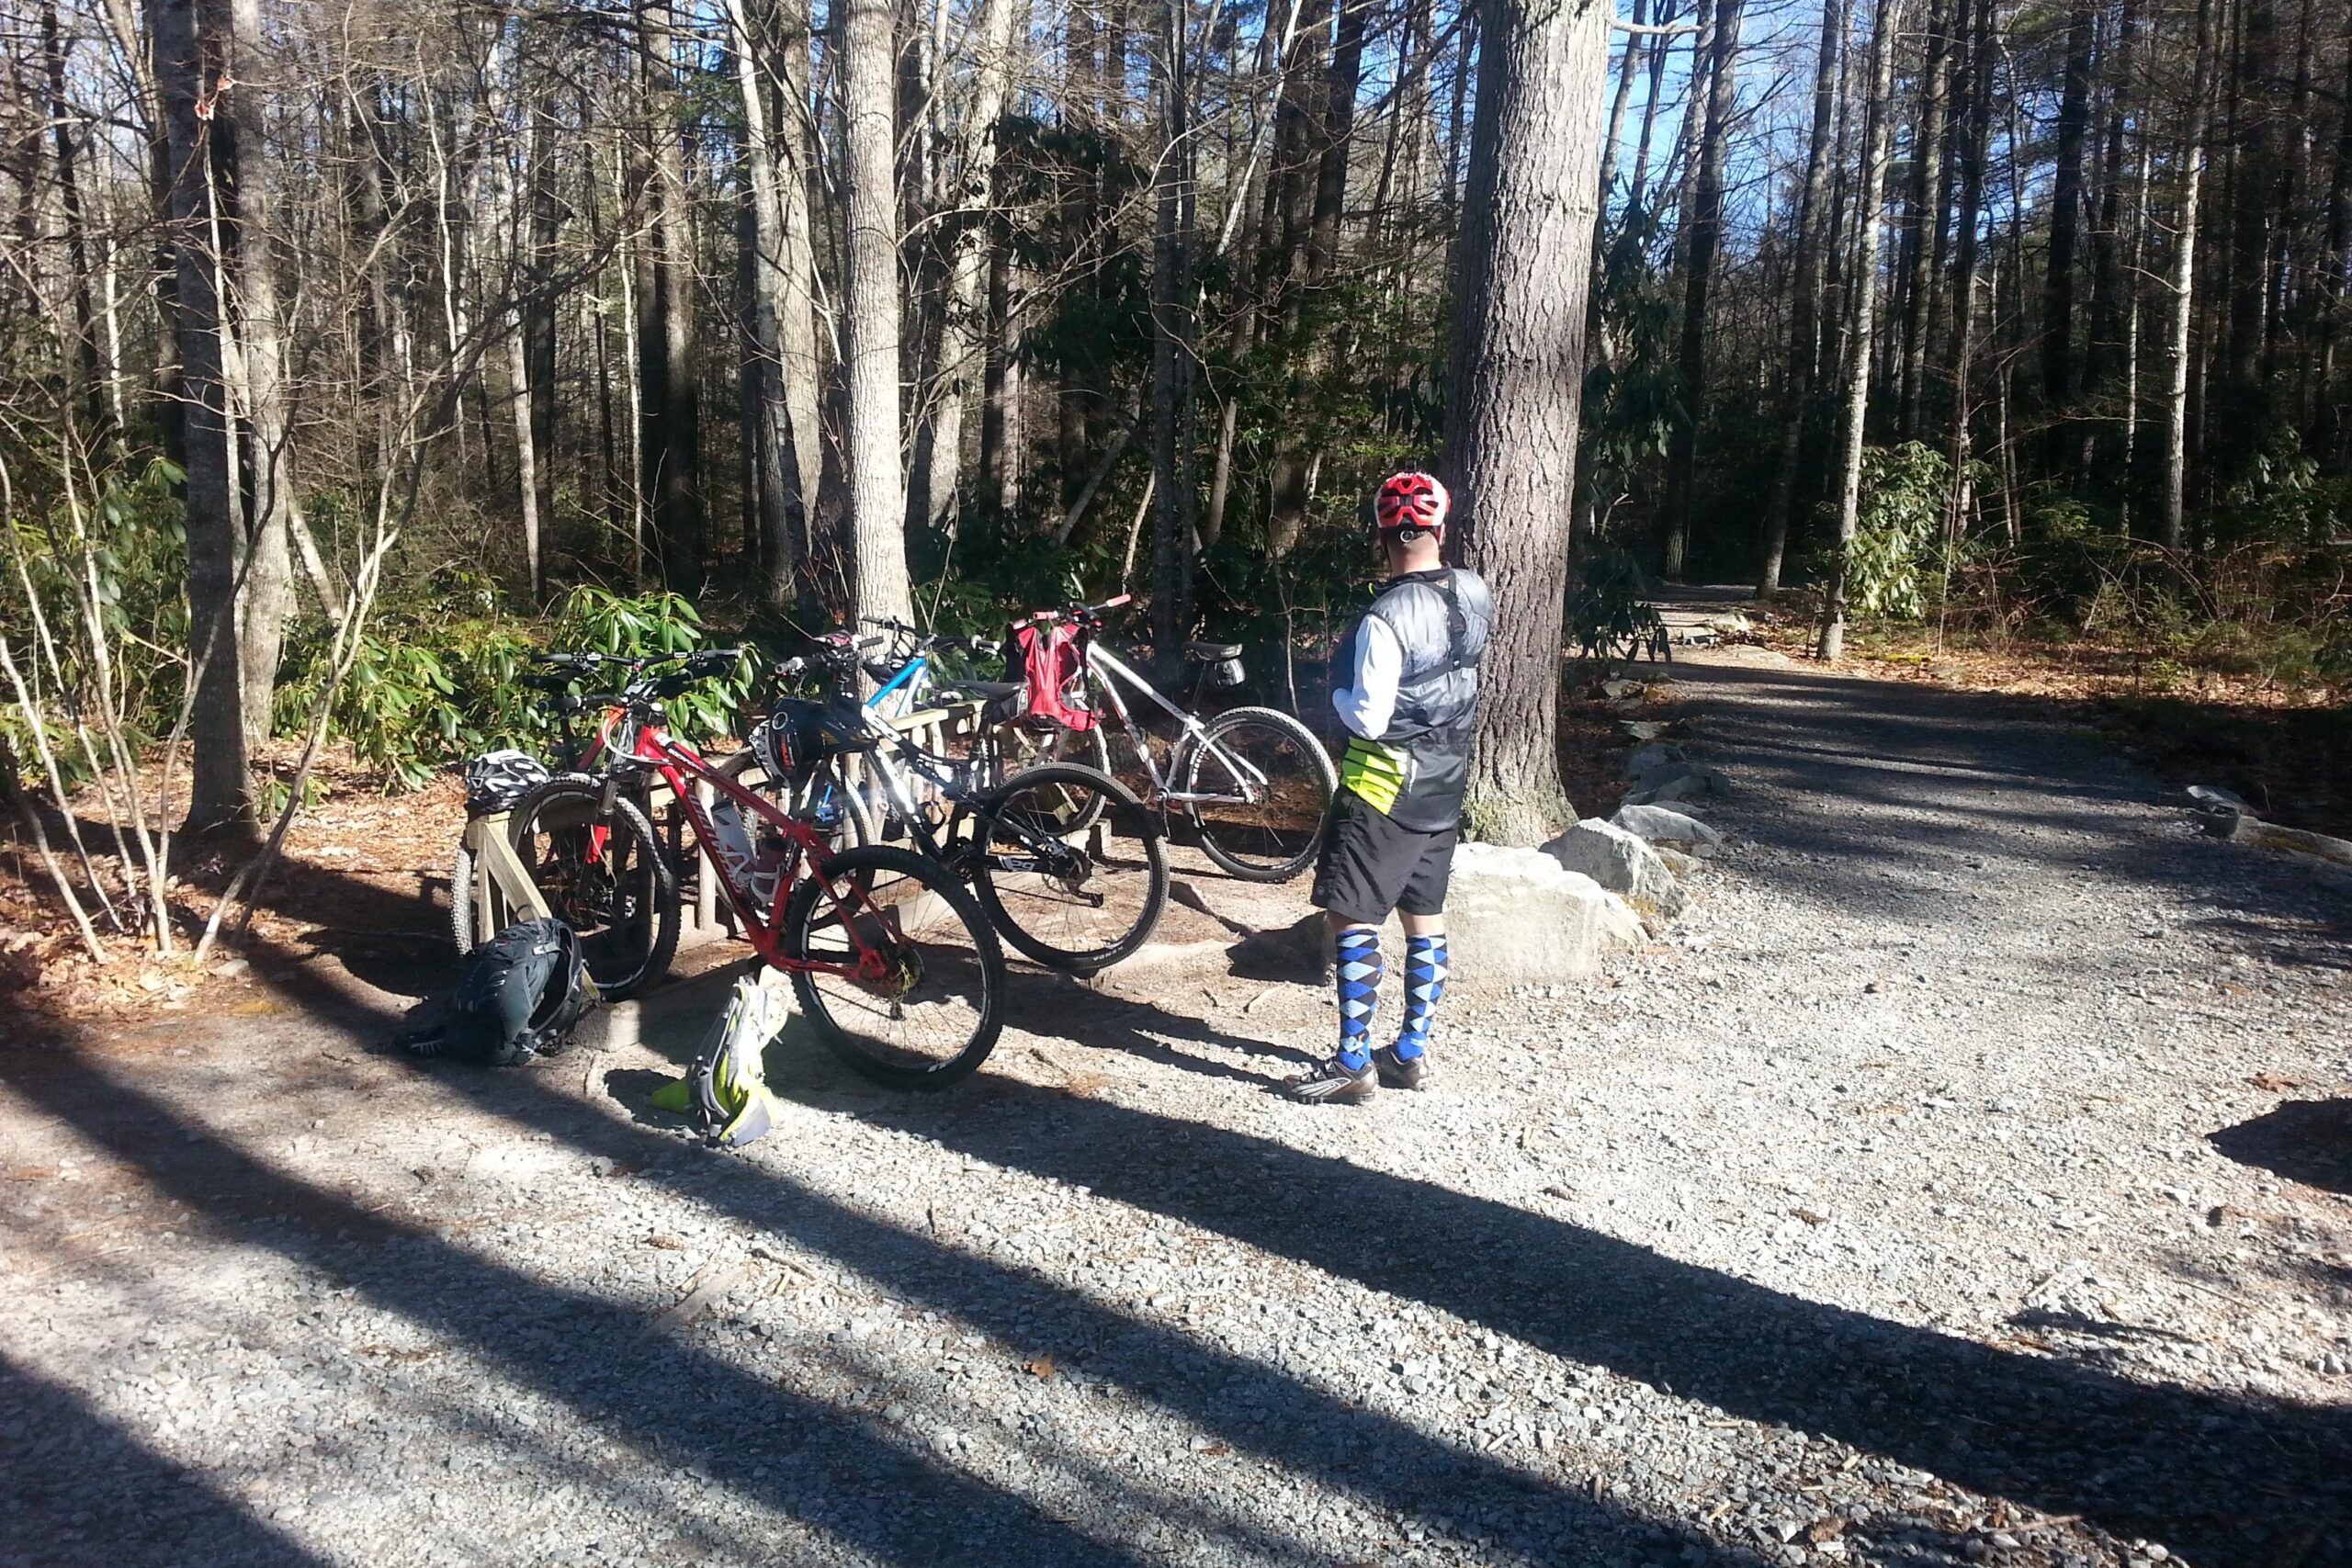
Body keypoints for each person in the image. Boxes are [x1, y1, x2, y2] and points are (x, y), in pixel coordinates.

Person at [1285, 471, 1490, 1105]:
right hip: (1444, 785)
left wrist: (1337, 695)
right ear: (1441, 530)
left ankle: (1352, 1063)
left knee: (1351, 917)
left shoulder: (1383, 618)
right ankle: (1408, 1053)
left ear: (1382, 536)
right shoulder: (1475, 591)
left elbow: (1369, 717)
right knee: (1424, 918)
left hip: (1381, 790)